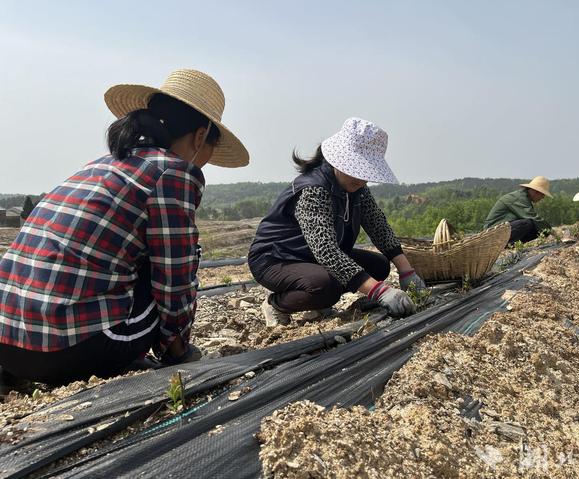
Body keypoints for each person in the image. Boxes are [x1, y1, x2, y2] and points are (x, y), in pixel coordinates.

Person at [0, 69, 249, 384]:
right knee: (164, 263)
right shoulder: (173, 173)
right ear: (200, 137)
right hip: (62, 351)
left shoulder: (102, 165)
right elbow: (175, 277)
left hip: (8, 344)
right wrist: (177, 350)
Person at [248, 117, 426, 327]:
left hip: (309, 256)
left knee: (379, 266)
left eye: (365, 173)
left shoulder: (357, 190)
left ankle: (315, 294)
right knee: (325, 287)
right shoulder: (314, 189)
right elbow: (325, 250)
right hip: (277, 257)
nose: (360, 180)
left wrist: (407, 273)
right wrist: (379, 291)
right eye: (356, 170)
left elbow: (378, 226)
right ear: (338, 160)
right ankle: (276, 303)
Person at [483, 176, 553, 244]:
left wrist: (546, 232)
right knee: (528, 223)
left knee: (537, 228)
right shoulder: (519, 198)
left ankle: (512, 245)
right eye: (543, 194)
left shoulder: (525, 198)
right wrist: (551, 231)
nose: (543, 197)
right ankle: (504, 245)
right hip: (491, 233)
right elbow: (533, 217)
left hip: (501, 230)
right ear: (536, 192)